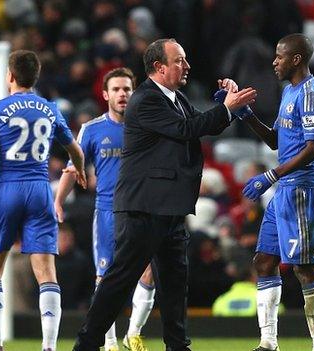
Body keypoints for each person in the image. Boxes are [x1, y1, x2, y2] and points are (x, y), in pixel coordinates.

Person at [72, 38, 257, 351]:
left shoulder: (175, 97)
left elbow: (200, 123)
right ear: (159, 67)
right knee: (119, 281)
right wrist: (226, 108)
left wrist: (227, 102)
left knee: (173, 284)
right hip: (143, 207)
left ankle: (177, 346)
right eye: (179, 61)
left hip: (168, 209)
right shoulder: (145, 100)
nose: (186, 66)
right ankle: (86, 345)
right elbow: (188, 129)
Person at [0, 50, 86, 351]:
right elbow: (75, 150)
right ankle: (50, 346)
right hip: (41, 191)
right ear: (35, 76)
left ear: (10, 76)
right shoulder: (50, 109)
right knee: (46, 273)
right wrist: (79, 170)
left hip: (7, 190)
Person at [237, 33, 314, 351]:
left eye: (280, 56)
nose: (274, 61)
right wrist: (246, 116)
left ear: (296, 59)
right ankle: (269, 342)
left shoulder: (310, 95)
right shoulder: (289, 91)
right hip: (285, 191)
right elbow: (277, 140)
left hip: (303, 190)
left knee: (305, 268)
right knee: (264, 261)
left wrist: (272, 174)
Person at [55, 67, 155, 351]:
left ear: (134, 93)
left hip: (142, 209)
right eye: (116, 89)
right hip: (108, 211)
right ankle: (109, 341)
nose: (122, 94)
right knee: (106, 278)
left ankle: (133, 334)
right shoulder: (93, 129)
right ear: (105, 94)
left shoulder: (146, 126)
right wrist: (58, 201)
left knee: (149, 272)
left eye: (127, 89)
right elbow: (73, 166)